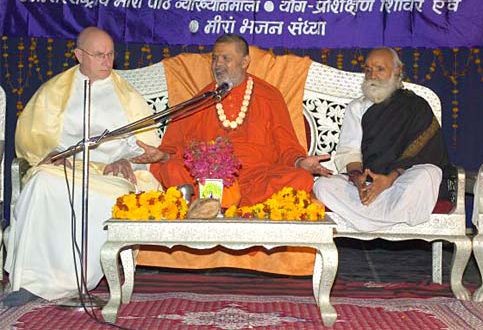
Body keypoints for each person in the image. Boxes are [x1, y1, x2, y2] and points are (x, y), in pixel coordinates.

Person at [3, 27, 165, 307]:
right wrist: (51, 152)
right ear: (79, 55)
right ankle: (30, 281)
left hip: (109, 174)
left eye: (111, 54)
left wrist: (126, 159)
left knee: (109, 200)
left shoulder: (128, 96)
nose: (107, 61)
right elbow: (32, 137)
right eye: (99, 55)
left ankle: (76, 282)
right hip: (66, 169)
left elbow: (148, 146)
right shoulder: (55, 91)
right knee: (41, 184)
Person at [151, 34, 331, 206]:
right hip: (209, 177)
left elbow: (286, 145)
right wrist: (163, 155)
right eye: (215, 58)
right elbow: (175, 146)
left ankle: (214, 206)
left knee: (301, 178)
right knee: (172, 168)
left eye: (225, 58)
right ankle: (220, 205)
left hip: (256, 178)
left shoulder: (269, 96)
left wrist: (300, 162)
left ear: (245, 62)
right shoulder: (202, 99)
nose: (217, 64)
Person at [313, 47, 450, 232]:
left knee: (428, 174)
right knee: (323, 185)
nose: (373, 75)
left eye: (380, 69)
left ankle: (365, 221)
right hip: (369, 186)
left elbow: (425, 152)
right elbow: (349, 152)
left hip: (401, 182)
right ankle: (388, 217)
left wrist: (389, 179)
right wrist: (357, 178)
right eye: (368, 70)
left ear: (397, 71)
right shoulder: (357, 108)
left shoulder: (416, 106)